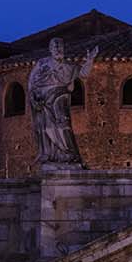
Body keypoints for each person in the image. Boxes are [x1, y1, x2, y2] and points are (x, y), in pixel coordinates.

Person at [28, 37, 97, 167]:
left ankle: (67, 154)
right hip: (43, 103)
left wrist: (90, 60)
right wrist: (33, 98)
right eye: (55, 47)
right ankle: (51, 156)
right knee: (46, 130)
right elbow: (31, 83)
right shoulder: (42, 63)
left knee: (63, 128)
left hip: (59, 101)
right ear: (50, 49)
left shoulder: (69, 66)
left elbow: (83, 73)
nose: (58, 49)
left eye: (60, 47)